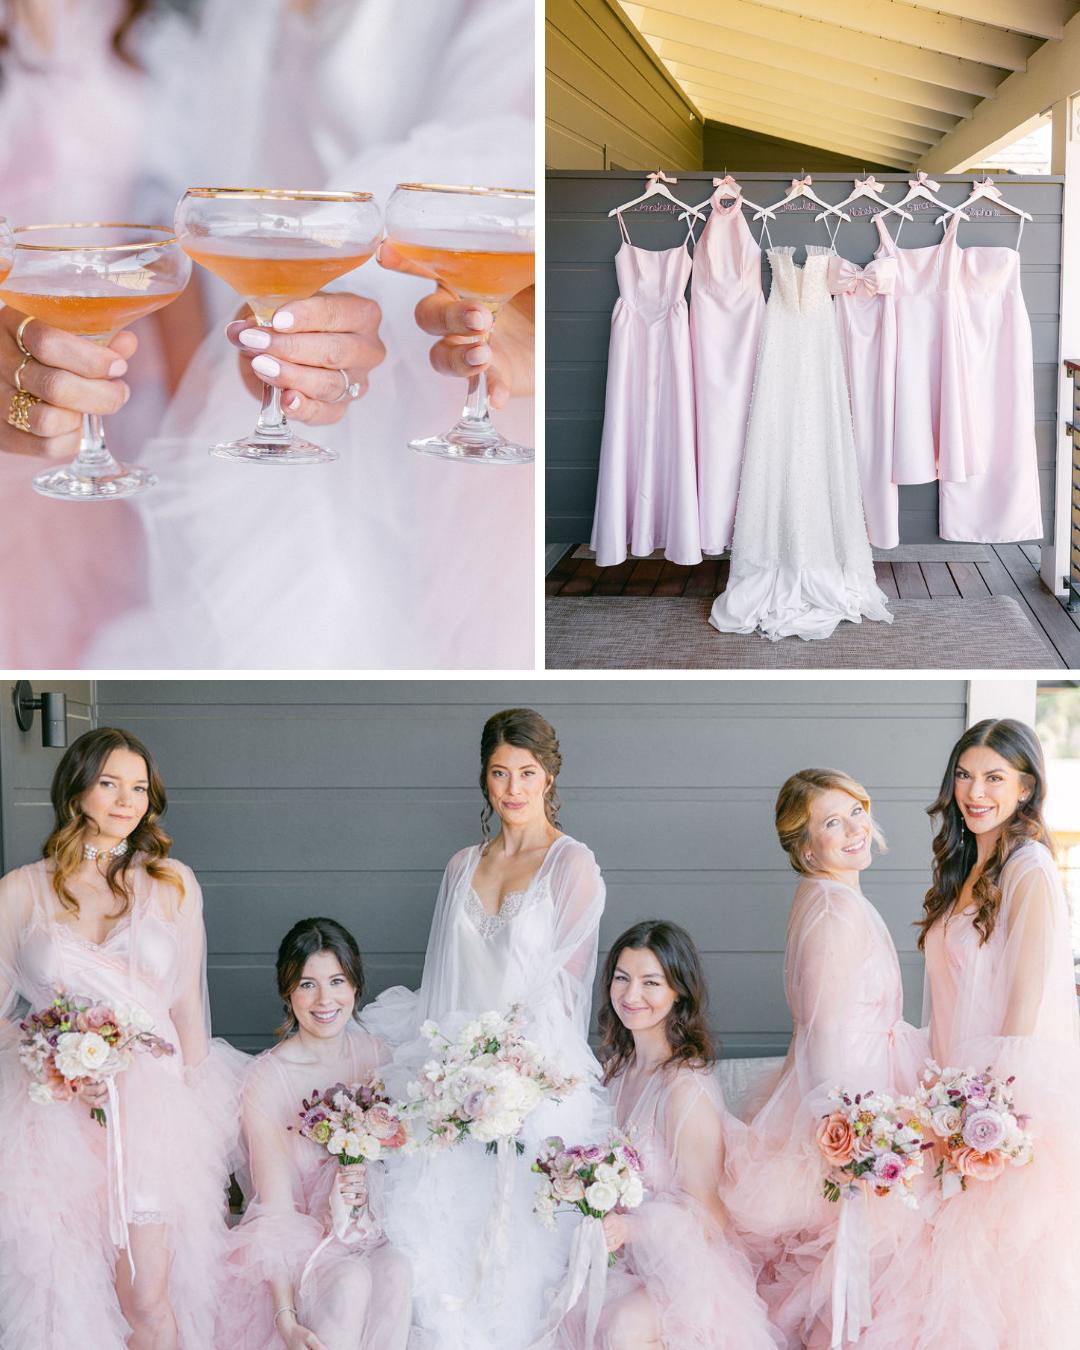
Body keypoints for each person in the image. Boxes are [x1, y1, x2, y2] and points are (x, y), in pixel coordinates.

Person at [365, 707, 608, 1350]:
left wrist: (508, 1074)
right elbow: (444, 983)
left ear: (550, 777)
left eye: (527, 772)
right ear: (485, 779)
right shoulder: (460, 866)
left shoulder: (572, 865)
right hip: (452, 1075)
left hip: (535, 1074)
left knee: (519, 1259)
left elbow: (565, 992)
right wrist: (451, 1076)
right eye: (499, 773)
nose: (513, 788)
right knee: (444, 1251)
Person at [0, 725, 244, 1349]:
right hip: (53, 1114)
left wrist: (200, 1114)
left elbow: (187, 1004)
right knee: (67, 1292)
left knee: (147, 1295)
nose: (126, 800)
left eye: (139, 787)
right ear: (77, 790)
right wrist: (52, 1057)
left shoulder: (173, 882)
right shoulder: (19, 891)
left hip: (155, 1112)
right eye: (109, 783)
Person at [721, 770, 927, 1349]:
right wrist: (852, 1140)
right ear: (805, 846)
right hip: (852, 1119)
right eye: (832, 823)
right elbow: (826, 1036)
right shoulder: (833, 912)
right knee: (842, 1294)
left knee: (850, 1290)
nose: (855, 829)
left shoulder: (832, 895)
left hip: (868, 1100)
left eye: (857, 811)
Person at [913, 720, 1080, 1348]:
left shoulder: (1028, 867)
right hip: (950, 1091)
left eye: (993, 778)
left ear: (1026, 786)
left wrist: (987, 1113)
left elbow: (1027, 1003)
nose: (973, 791)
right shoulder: (964, 866)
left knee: (993, 1283)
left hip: (997, 1105)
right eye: (964, 774)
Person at [588, 919, 779, 1349]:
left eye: (651, 982)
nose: (631, 995)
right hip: (618, 1261)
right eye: (622, 978)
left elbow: (710, 1215)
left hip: (679, 1270)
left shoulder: (684, 1087)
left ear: (678, 993)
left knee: (622, 1327)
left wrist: (632, 1230)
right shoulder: (614, 1070)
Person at [222, 917, 411, 1350]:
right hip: (308, 1248)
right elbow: (275, 1211)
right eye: (307, 984)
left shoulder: (381, 1057)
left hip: (373, 1233)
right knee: (350, 1279)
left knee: (398, 1269)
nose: (324, 999)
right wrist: (285, 1319)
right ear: (288, 991)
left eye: (337, 981)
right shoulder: (266, 1080)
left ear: (356, 985)